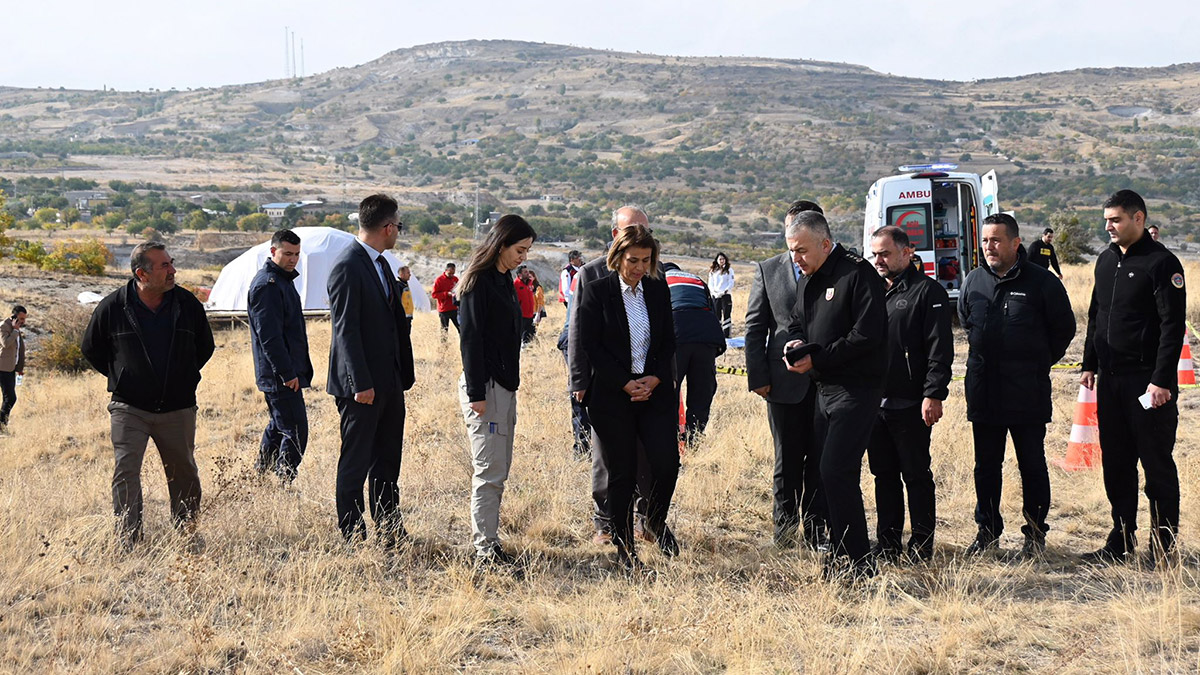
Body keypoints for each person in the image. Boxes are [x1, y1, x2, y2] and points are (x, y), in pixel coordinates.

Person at [957, 213, 1075, 559]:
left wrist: (1038, 361)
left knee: (1032, 466)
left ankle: (1035, 534)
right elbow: (967, 322)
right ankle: (987, 532)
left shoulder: (1042, 283)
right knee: (986, 466)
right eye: (984, 241)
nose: (988, 247)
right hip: (985, 391)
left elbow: (1063, 330)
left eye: (995, 240)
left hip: (1027, 392)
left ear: (1014, 243)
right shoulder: (974, 281)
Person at [81, 242, 215, 546]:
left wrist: (184, 377)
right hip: (130, 407)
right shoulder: (113, 306)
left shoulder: (186, 304)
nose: (173, 271)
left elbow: (204, 347)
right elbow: (91, 348)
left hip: (178, 406)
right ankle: (128, 539)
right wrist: (123, 377)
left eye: (171, 263)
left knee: (184, 473)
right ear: (142, 273)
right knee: (126, 470)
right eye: (164, 266)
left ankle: (187, 534)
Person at [1080, 190, 1186, 566]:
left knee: (1156, 465)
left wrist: (1162, 381)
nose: (1108, 226)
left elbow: (1173, 328)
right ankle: (1120, 539)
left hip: (1148, 384)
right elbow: (1097, 315)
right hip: (1110, 381)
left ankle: (1162, 547)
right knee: (1117, 464)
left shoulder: (1162, 264)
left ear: (1138, 219)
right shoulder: (1105, 261)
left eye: (1116, 219)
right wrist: (1088, 363)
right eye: (1106, 219)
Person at [783, 210, 888, 580]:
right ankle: (842, 556)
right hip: (823, 390)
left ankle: (859, 562)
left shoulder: (858, 275)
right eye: (791, 251)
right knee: (827, 475)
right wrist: (795, 344)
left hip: (857, 389)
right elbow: (798, 322)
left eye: (801, 251)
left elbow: (867, 335)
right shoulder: (808, 281)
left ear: (825, 244)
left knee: (836, 470)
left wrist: (820, 356)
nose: (796, 259)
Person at [577, 224, 679, 570]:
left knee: (666, 465)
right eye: (633, 260)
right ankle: (626, 550)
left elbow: (667, 342)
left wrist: (655, 378)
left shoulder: (657, 290)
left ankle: (653, 520)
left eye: (645, 261)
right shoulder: (596, 291)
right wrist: (624, 382)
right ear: (617, 256)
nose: (638, 267)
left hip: (653, 391)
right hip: (612, 395)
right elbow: (590, 345)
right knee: (621, 473)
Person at [326, 194, 416, 544]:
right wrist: (360, 383)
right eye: (399, 227)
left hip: (389, 379)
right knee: (357, 460)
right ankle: (352, 532)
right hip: (360, 385)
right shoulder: (348, 265)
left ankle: (390, 526)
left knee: (387, 458)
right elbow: (345, 329)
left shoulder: (381, 265)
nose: (398, 233)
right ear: (388, 227)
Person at [744, 200, 829, 551]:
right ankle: (784, 532)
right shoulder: (769, 270)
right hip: (781, 384)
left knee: (822, 460)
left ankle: (815, 531)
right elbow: (754, 328)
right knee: (787, 461)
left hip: (826, 380)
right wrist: (758, 377)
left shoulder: (834, 269)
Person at [866, 226, 953, 564]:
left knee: (916, 475)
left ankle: (921, 546)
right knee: (883, 475)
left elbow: (939, 349)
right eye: (875, 254)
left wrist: (933, 393)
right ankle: (887, 544)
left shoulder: (926, 291)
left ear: (907, 252)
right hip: (875, 403)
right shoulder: (870, 290)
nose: (879, 260)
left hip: (912, 404)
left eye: (885, 253)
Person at [456, 215, 537, 566]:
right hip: (486, 389)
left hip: (504, 387)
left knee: (499, 469)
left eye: (527, 251)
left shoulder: (504, 280)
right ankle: (484, 551)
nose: (523, 257)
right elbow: (470, 340)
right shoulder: (479, 283)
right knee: (488, 471)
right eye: (519, 250)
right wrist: (477, 393)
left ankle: (489, 540)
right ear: (501, 244)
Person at [247, 229, 313, 482]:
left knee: (279, 426)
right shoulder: (268, 285)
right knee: (295, 430)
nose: (292, 259)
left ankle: (260, 477)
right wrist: (286, 373)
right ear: (273, 251)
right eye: (287, 253)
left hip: (284, 371)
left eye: (296, 254)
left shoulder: (283, 281)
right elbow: (270, 337)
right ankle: (283, 480)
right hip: (279, 374)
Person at [662, 262, 726, 444]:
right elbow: (712, 308)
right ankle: (694, 437)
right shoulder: (696, 279)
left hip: (677, 334)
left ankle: (672, 437)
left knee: (669, 387)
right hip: (706, 335)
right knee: (702, 390)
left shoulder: (661, 279)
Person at [0, 305, 27, 431]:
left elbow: (19, 349)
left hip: (11, 368)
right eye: (21, 319)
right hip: (2, 368)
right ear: (14, 317)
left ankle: (2, 425)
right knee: (10, 398)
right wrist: (15, 331)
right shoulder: (4, 326)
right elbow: (5, 343)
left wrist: (19, 368)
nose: (23, 321)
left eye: (24, 319)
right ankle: (1, 425)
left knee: (9, 398)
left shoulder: (17, 328)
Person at [709, 252, 735, 337]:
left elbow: (731, 283)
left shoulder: (729, 270)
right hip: (716, 296)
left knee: (726, 314)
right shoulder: (713, 271)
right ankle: (717, 334)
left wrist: (724, 292)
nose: (721, 261)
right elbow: (710, 283)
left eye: (723, 259)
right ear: (717, 260)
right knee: (716, 315)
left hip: (725, 295)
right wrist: (714, 292)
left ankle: (727, 335)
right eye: (720, 259)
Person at [431, 263, 461, 336]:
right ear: (445, 270)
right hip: (444, 310)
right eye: (450, 273)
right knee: (444, 331)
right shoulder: (439, 280)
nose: (451, 275)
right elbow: (434, 295)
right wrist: (446, 294)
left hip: (454, 308)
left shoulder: (455, 279)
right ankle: (444, 347)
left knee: (461, 328)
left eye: (453, 273)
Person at [514, 265, 537, 343]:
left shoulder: (530, 282)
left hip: (530, 313)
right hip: (521, 314)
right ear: (520, 275)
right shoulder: (515, 284)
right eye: (525, 272)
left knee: (531, 333)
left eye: (528, 271)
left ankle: (528, 348)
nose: (528, 273)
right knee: (521, 333)